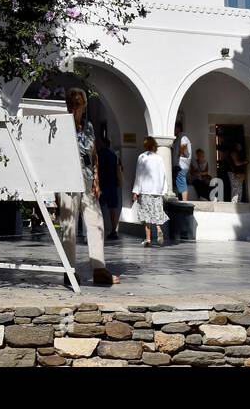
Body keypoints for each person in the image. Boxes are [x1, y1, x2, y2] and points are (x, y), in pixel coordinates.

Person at [57, 89, 118, 286]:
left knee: (96, 223)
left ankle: (99, 269)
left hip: (87, 180)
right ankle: (69, 270)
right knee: (69, 226)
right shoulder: (62, 125)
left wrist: (97, 178)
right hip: (67, 181)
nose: (76, 106)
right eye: (73, 102)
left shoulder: (89, 127)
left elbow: (93, 154)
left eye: (79, 102)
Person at [133, 136, 170, 246]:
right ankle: (158, 228)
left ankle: (148, 239)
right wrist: (164, 189)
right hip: (157, 190)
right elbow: (163, 174)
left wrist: (136, 190)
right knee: (157, 211)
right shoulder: (159, 158)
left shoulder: (142, 157)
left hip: (145, 190)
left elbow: (138, 174)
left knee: (146, 215)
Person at [96, 134, 122, 240]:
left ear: (103, 144)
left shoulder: (100, 154)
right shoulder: (114, 155)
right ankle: (113, 230)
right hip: (112, 185)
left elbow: (97, 169)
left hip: (103, 185)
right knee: (112, 209)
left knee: (98, 208)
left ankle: (99, 229)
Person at [173, 122, 192, 201]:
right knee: (178, 181)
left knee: (181, 181)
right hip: (180, 164)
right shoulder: (179, 137)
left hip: (181, 164)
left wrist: (179, 155)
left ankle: (184, 202)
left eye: (174, 128)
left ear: (178, 128)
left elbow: (183, 146)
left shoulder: (182, 136)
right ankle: (181, 199)